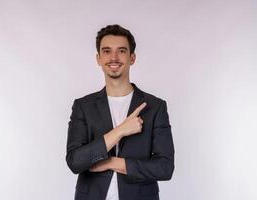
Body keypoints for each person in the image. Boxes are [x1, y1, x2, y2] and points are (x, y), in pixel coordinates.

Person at [66, 24, 175, 200]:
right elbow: (75, 162)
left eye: (122, 51)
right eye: (107, 51)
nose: (114, 57)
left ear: (132, 58)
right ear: (98, 58)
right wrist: (121, 131)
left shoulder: (155, 106)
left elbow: (165, 167)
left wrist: (114, 163)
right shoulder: (83, 106)